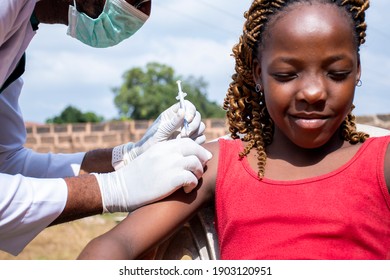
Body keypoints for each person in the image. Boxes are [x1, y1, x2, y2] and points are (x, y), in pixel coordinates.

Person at [77, 0, 390, 260]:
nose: (313, 92)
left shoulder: (382, 160)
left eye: (337, 73)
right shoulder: (218, 164)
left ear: (358, 71)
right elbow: (116, 245)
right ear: (257, 74)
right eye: (286, 74)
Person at [0, 0, 211, 256]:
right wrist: (113, 188)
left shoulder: (15, 40)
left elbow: (8, 163)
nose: (144, 12)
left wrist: (126, 158)